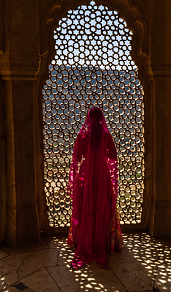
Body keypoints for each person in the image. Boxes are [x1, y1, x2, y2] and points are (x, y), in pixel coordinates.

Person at [67, 107, 123, 269]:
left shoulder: (82, 136)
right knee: (103, 207)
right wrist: (100, 156)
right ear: (101, 119)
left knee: (86, 207)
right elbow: (113, 156)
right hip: (103, 177)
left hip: (86, 176)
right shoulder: (106, 136)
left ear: (88, 119)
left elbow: (76, 158)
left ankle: (84, 241)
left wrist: (88, 157)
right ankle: (106, 242)